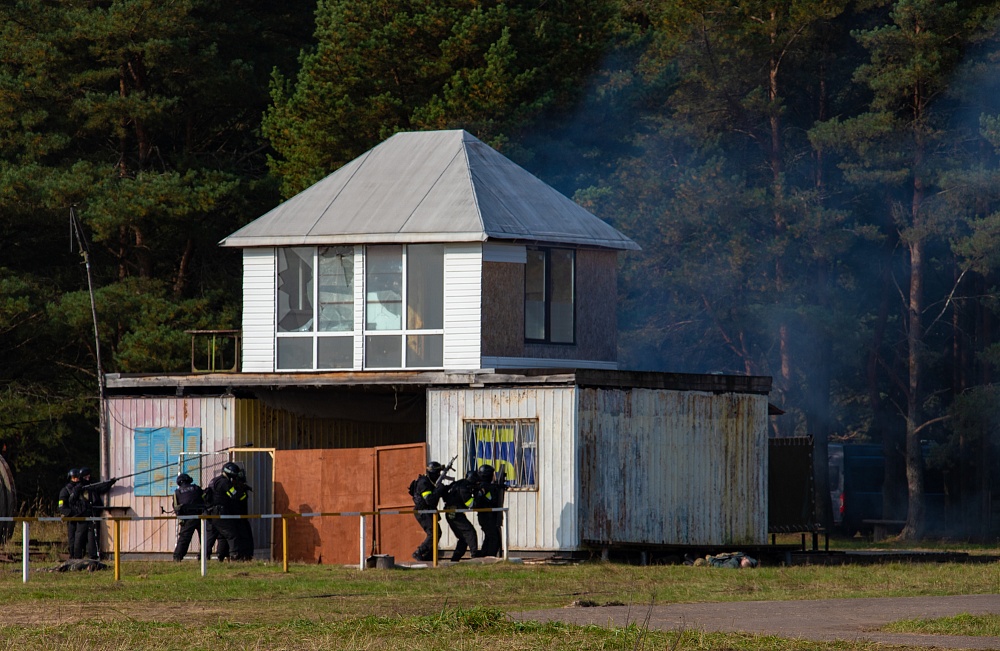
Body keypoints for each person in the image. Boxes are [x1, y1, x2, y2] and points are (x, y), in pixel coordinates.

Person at [205, 462, 253, 561]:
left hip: (210, 513)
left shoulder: (214, 480)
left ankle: (203, 557)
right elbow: (234, 495)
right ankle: (235, 556)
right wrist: (243, 492)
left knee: (211, 537)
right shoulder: (225, 482)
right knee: (232, 534)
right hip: (219, 513)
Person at [74, 467, 117, 560]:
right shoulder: (78, 488)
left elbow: (102, 488)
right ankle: (77, 556)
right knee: (80, 536)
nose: (88, 478)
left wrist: (110, 483)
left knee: (92, 537)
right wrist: (77, 491)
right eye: (86, 476)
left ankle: (93, 557)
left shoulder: (92, 486)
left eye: (89, 476)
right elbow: (72, 500)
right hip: (82, 516)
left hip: (93, 514)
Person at [409, 461, 449, 561]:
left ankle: (429, 555)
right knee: (433, 533)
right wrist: (438, 490)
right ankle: (419, 552)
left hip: (428, 511)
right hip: (422, 511)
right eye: (437, 473)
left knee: (437, 532)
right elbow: (429, 500)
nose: (438, 475)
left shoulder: (430, 482)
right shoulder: (424, 483)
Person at [442, 470, 479, 562]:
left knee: (463, 538)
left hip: (451, 512)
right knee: (470, 532)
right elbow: (470, 504)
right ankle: (475, 556)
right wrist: (478, 495)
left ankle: (455, 559)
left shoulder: (459, 483)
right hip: (455, 513)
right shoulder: (464, 487)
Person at [172, 473, 206, 561]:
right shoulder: (196, 488)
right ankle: (203, 556)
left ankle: (177, 557)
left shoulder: (177, 492)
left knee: (184, 538)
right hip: (200, 516)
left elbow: (176, 507)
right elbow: (204, 498)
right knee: (204, 537)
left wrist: (181, 519)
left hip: (187, 518)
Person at [473, 464, 504, 558]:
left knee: (490, 536)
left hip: (488, 516)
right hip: (486, 516)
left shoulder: (485, 486)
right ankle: (490, 556)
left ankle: (484, 553)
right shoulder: (483, 487)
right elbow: (491, 500)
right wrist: (495, 489)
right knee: (494, 537)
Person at [57, 468, 83, 559]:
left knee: (81, 539)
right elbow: (61, 506)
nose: (76, 479)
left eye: (77, 477)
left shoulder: (83, 488)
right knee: (72, 538)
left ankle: (80, 556)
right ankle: (73, 556)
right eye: (74, 477)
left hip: (83, 517)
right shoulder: (66, 490)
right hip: (72, 518)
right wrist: (71, 513)